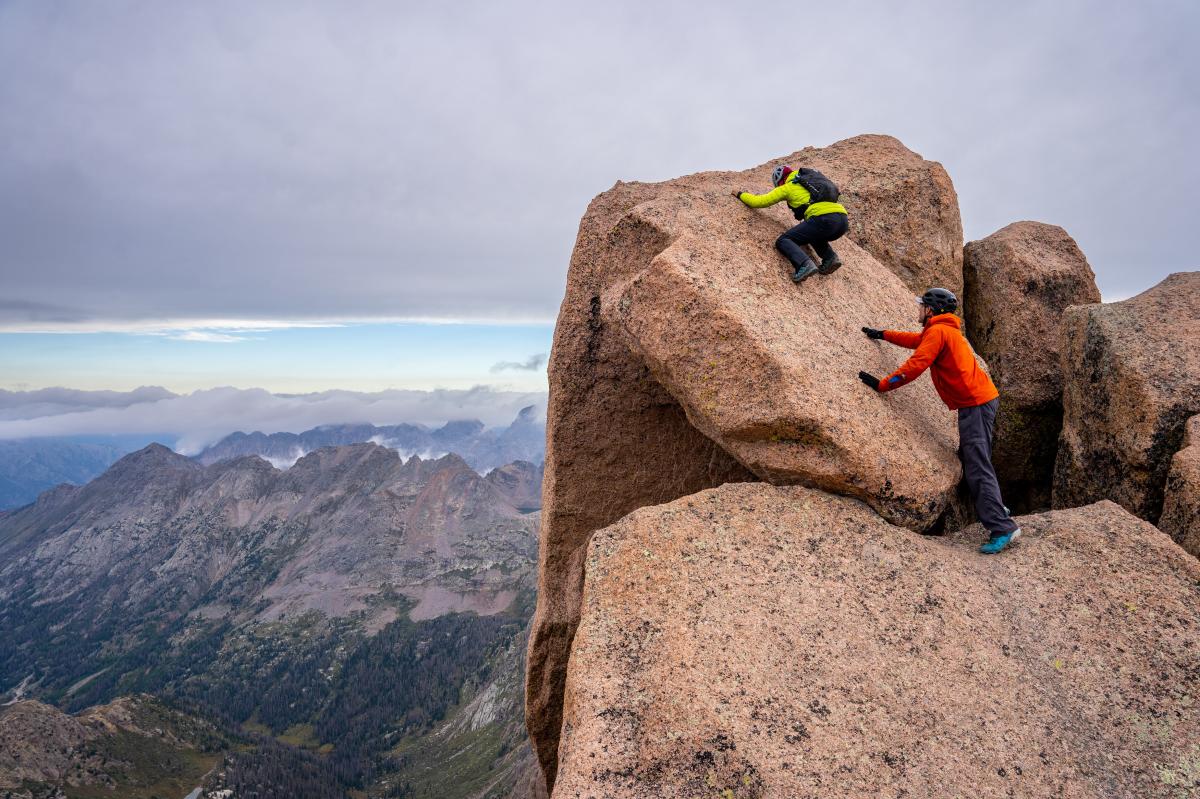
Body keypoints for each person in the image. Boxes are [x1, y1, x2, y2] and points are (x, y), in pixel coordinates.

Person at [858, 287, 1022, 554]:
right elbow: (916, 341)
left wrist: (883, 385)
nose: (919, 309)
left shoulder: (938, 331)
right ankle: (994, 506)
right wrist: (882, 335)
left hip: (976, 405)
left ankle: (1002, 526)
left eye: (922, 305)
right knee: (974, 460)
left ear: (931, 310)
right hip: (979, 401)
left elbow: (916, 364)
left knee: (977, 467)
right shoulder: (943, 330)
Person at [731, 165, 849, 284]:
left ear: (780, 181)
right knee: (812, 234)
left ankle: (804, 264)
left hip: (824, 219)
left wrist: (740, 194)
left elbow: (759, 201)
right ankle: (830, 258)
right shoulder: (809, 180)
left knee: (784, 240)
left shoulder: (788, 187)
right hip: (842, 220)